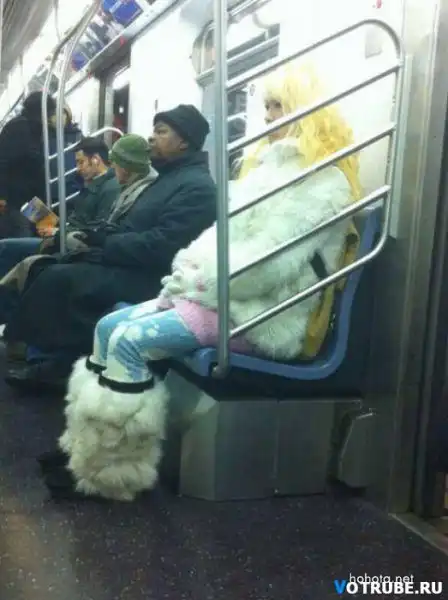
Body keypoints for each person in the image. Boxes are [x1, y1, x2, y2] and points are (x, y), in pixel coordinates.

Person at [39, 64, 363, 502]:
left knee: (130, 341)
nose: (268, 116)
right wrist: (189, 274)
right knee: (108, 327)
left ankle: (113, 474)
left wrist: (195, 283)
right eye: (267, 106)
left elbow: (268, 268)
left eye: (278, 106)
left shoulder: (322, 184)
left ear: (309, 111)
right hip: (219, 296)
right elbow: (216, 242)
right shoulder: (264, 174)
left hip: (262, 313)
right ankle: (86, 451)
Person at [4, 105, 216, 387]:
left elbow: (165, 246)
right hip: (131, 262)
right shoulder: (168, 180)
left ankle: (54, 363)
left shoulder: (197, 187)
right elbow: (132, 226)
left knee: (60, 277)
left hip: (153, 276)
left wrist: (108, 244)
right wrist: (97, 237)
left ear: (184, 142)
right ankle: (46, 355)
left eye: (161, 132)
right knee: (52, 266)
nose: (151, 138)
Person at [0, 137, 121, 327]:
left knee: (10, 251)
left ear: (96, 159)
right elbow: (78, 220)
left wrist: (57, 231)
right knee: (5, 247)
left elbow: (96, 229)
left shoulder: (109, 188)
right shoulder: (91, 185)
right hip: (61, 236)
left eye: (81, 162)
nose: (78, 168)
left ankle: (9, 315)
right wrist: (54, 226)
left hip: (72, 245)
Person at [0, 91, 56, 239]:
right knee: (24, 234)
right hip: (16, 198)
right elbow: (3, 162)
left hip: (33, 197)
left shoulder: (39, 129)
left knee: (47, 231)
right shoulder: (17, 128)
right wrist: (2, 194)